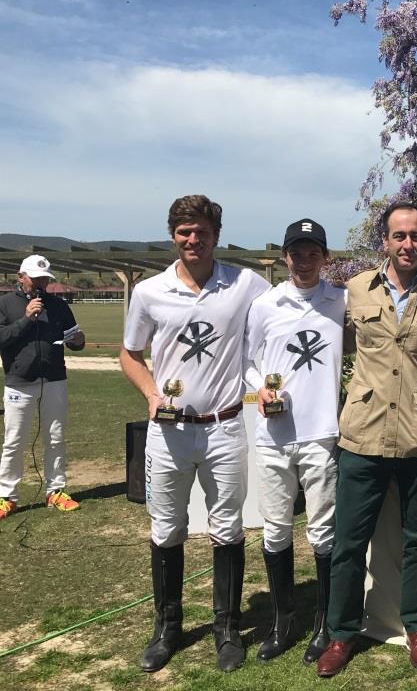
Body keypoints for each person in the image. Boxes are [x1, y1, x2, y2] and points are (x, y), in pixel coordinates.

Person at [120, 195, 270, 673]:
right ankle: (168, 628)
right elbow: (129, 354)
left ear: (216, 236)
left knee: (227, 528)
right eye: (184, 231)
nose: (193, 239)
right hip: (169, 432)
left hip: (225, 427)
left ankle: (227, 628)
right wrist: (151, 394)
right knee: (166, 529)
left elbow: (281, 314)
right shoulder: (149, 291)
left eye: (202, 231)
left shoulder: (246, 283)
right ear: (173, 235)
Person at [317, 200, 417, 678]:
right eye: (399, 235)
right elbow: (329, 346)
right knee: (348, 542)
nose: (408, 244)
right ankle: (341, 633)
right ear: (385, 240)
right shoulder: (355, 289)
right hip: (363, 434)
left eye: (416, 235)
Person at [243, 218, 346, 664]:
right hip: (274, 434)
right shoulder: (265, 304)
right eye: (296, 253)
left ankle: (324, 621)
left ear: (325, 258)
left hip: (322, 433)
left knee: (323, 530)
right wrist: (259, 391)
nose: (304, 261)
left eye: (312, 253)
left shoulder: (340, 300)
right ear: (285, 257)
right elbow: (247, 362)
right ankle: (283, 620)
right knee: (276, 528)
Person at [0, 255, 86, 520]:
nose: (41, 285)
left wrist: (78, 341)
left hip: (55, 380)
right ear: (21, 277)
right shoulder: (5, 303)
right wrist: (26, 318)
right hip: (19, 382)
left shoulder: (58, 305)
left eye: (45, 280)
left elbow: (74, 338)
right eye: (36, 279)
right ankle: (7, 496)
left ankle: (55, 490)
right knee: (14, 441)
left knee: (55, 437)